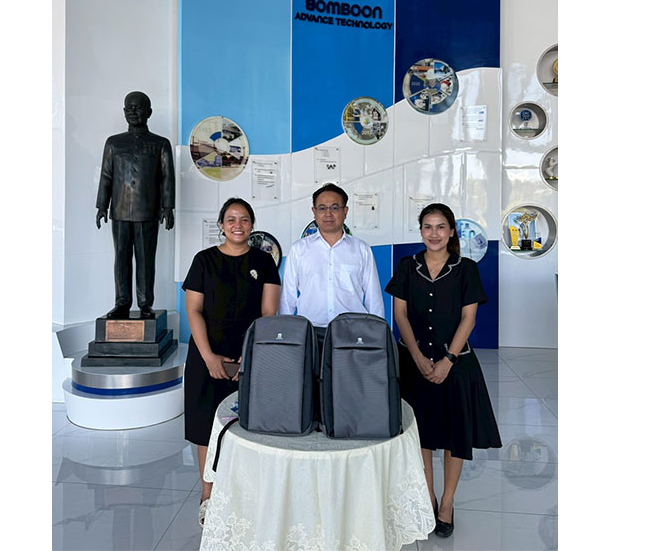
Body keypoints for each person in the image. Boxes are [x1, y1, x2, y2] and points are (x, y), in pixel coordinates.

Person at [385, 203, 501, 539]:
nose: (433, 234)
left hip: (456, 364)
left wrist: (448, 360)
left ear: (451, 232)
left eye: (440, 227)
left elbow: (469, 318)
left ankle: (447, 503)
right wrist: (418, 357)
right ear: (420, 231)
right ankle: (428, 498)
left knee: (454, 436)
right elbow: (400, 314)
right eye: (427, 227)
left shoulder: (466, 269)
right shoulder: (407, 266)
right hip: (414, 363)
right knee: (420, 434)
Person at [181, 198, 280, 527]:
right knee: (205, 429)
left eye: (244, 219)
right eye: (231, 219)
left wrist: (250, 357)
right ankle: (208, 496)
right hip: (205, 355)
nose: (238, 225)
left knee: (249, 428)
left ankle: (245, 495)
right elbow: (193, 310)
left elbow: (268, 314)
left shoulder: (263, 261)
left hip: (250, 356)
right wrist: (209, 356)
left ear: (252, 225)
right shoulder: (204, 260)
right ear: (222, 225)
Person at [95, 91, 175, 320]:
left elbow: (167, 178)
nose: (133, 111)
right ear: (123, 112)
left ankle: (145, 303)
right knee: (121, 259)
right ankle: (122, 302)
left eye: (138, 107)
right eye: (129, 108)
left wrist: (168, 207)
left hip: (147, 211)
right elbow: (106, 176)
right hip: (119, 211)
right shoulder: (114, 143)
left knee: (146, 260)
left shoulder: (160, 144)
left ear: (149, 112)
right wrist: (102, 206)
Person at [279, 183, 384, 329]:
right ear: (314, 212)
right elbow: (287, 298)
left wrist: (377, 332)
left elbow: (374, 298)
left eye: (334, 208)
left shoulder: (361, 250)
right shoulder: (299, 249)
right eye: (322, 208)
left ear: (345, 211)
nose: (328, 214)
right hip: (310, 331)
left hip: (351, 331)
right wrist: (285, 332)